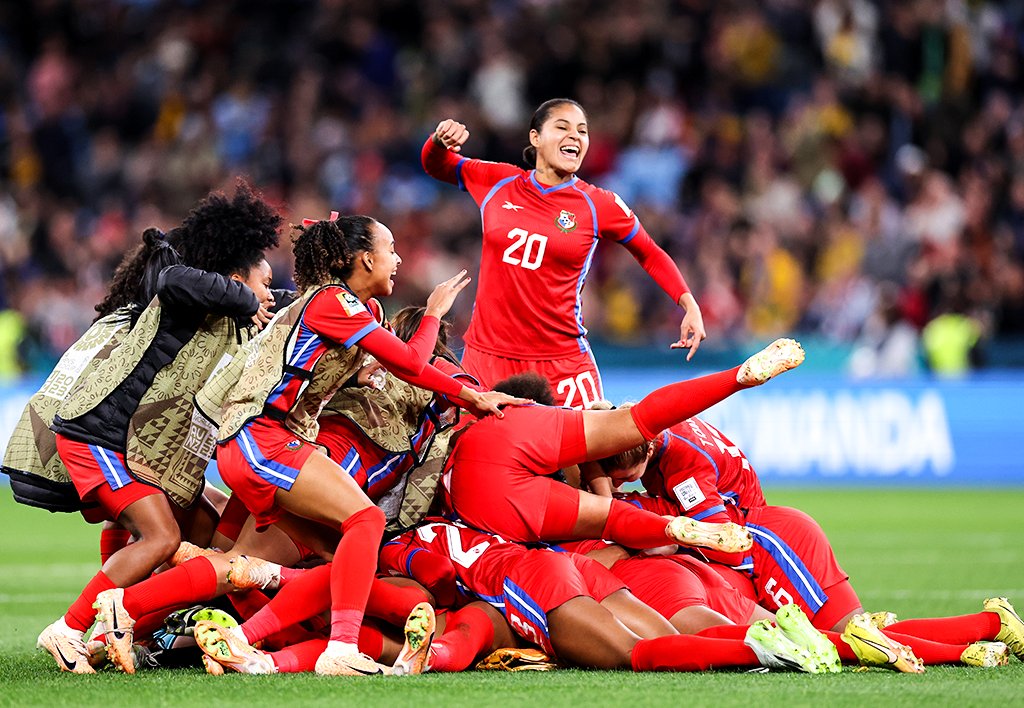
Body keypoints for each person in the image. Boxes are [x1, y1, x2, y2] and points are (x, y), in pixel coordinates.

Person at [190, 214, 526, 677]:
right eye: (391, 249)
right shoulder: (333, 301)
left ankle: (235, 638)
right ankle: (341, 650)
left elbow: (365, 363)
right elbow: (411, 363)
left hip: (261, 441)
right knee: (365, 520)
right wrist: (434, 317)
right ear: (366, 259)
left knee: (342, 557)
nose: (398, 259)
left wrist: (363, 373)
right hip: (262, 438)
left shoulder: (358, 311)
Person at [35, 182, 283, 674]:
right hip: (99, 434)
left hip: (130, 443)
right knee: (161, 536)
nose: (268, 295)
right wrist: (243, 298)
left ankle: (123, 630)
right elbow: (173, 279)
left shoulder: (223, 319)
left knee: (199, 521)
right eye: (264, 283)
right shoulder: (187, 296)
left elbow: (286, 312)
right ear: (236, 278)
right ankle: (69, 628)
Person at [592, 416, 1024, 666]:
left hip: (770, 542)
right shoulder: (659, 426)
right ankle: (983, 629)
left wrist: (673, 535)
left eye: (627, 478)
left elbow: (729, 544)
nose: (618, 485)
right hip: (772, 530)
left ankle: (983, 629)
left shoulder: (685, 471)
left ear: (648, 452)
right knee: (851, 639)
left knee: (850, 640)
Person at [423, 98, 705, 409]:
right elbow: (436, 165)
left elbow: (649, 253)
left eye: (582, 131)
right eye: (562, 127)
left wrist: (688, 303)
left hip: (561, 364)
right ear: (535, 138)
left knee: (601, 440)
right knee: (468, 440)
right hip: (487, 358)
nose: (575, 136)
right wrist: (438, 142)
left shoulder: (599, 204)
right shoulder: (498, 181)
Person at [439, 338, 805, 555]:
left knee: (608, 518)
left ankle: (667, 529)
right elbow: (627, 429)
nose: (618, 482)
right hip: (522, 437)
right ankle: (736, 377)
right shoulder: (572, 419)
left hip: (474, 490)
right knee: (614, 514)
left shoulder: (459, 425)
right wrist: (607, 502)